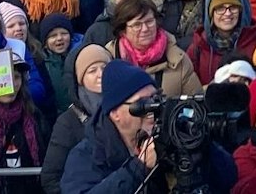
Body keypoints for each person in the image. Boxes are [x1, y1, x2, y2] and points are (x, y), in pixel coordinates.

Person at [60, 59, 238, 194]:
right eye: (142, 104)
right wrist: (139, 167)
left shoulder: (173, 134)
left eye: (155, 99)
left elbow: (229, 177)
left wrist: (201, 145)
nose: (152, 109)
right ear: (115, 113)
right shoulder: (86, 154)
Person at [43, 43, 109, 194]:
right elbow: (51, 177)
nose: (101, 74)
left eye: (105, 68)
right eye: (92, 71)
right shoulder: (68, 122)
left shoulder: (125, 109)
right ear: (80, 79)